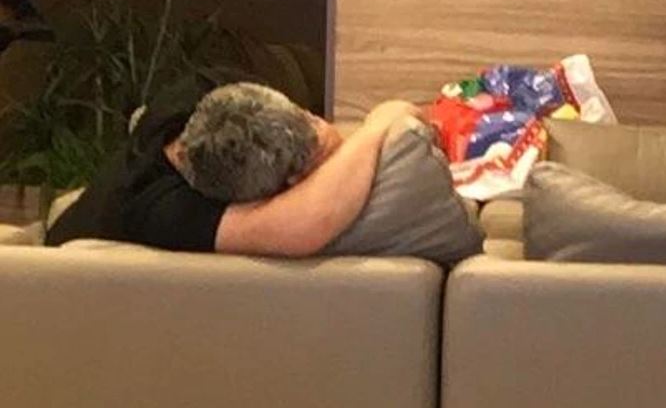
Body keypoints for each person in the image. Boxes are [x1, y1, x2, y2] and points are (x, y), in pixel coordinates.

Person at [46, 69, 423, 256]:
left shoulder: (211, 89)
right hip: (68, 286)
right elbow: (309, 222)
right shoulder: (166, 211)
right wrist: (379, 125)